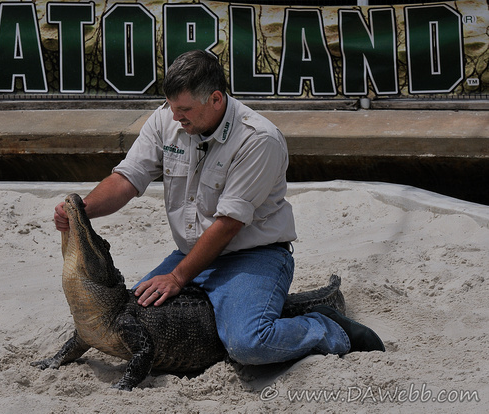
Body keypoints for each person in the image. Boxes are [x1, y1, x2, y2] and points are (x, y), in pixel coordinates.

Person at [54, 50, 384, 365]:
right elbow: (127, 179)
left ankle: (327, 328)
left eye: (183, 109)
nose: (174, 116)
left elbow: (227, 225)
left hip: (252, 257)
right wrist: (82, 209)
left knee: (247, 344)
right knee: (129, 319)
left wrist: (177, 277)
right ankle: (256, 309)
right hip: (191, 253)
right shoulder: (167, 121)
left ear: (216, 99)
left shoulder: (258, 139)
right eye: (171, 106)